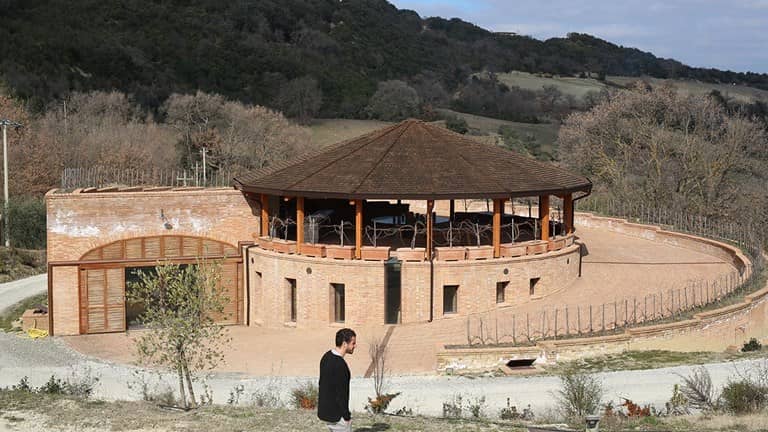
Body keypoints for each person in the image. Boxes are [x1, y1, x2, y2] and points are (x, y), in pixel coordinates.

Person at [318, 328, 356, 432]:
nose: (355, 346)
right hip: (337, 416)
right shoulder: (340, 365)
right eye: (353, 343)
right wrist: (346, 417)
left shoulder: (326, 356)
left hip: (325, 412)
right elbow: (342, 394)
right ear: (344, 344)